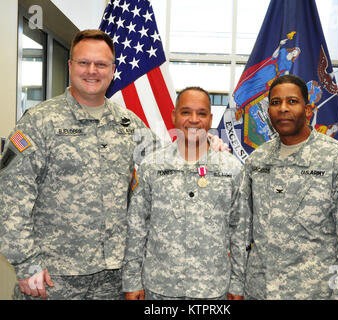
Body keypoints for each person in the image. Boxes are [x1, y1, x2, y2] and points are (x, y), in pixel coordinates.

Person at [0, 30, 228, 300]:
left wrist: (206, 145)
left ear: (112, 70)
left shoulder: (128, 124)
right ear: (70, 65)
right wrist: (27, 262)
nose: (92, 71)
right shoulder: (39, 122)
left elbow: (167, 164)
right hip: (53, 276)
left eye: (101, 64)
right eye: (84, 63)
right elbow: (10, 197)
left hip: (114, 278)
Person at [243, 74, 338, 300]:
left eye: (292, 101)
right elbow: (244, 229)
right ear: (268, 111)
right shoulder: (257, 161)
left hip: (315, 294)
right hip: (259, 292)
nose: (283, 108)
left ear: (308, 109)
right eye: (275, 102)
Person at [122, 87, 249, 300]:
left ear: (210, 119)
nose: (194, 120)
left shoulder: (232, 169)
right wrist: (132, 280)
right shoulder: (152, 165)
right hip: (159, 288)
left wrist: (237, 284)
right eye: (186, 112)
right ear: (174, 116)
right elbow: (137, 227)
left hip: (212, 289)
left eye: (201, 114)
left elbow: (240, 231)